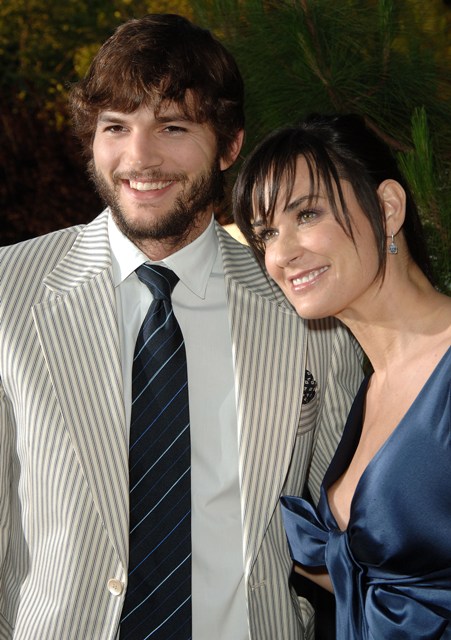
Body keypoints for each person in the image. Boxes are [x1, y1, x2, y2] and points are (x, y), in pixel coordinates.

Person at [0, 16, 364, 640]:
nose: (139, 157)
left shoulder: (304, 305)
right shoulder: (11, 290)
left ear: (228, 146)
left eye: (172, 127)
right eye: (116, 127)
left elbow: (350, 537)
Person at [232, 112, 451, 639]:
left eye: (307, 214)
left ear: (388, 208)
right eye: (266, 233)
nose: (280, 254)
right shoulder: (371, 388)